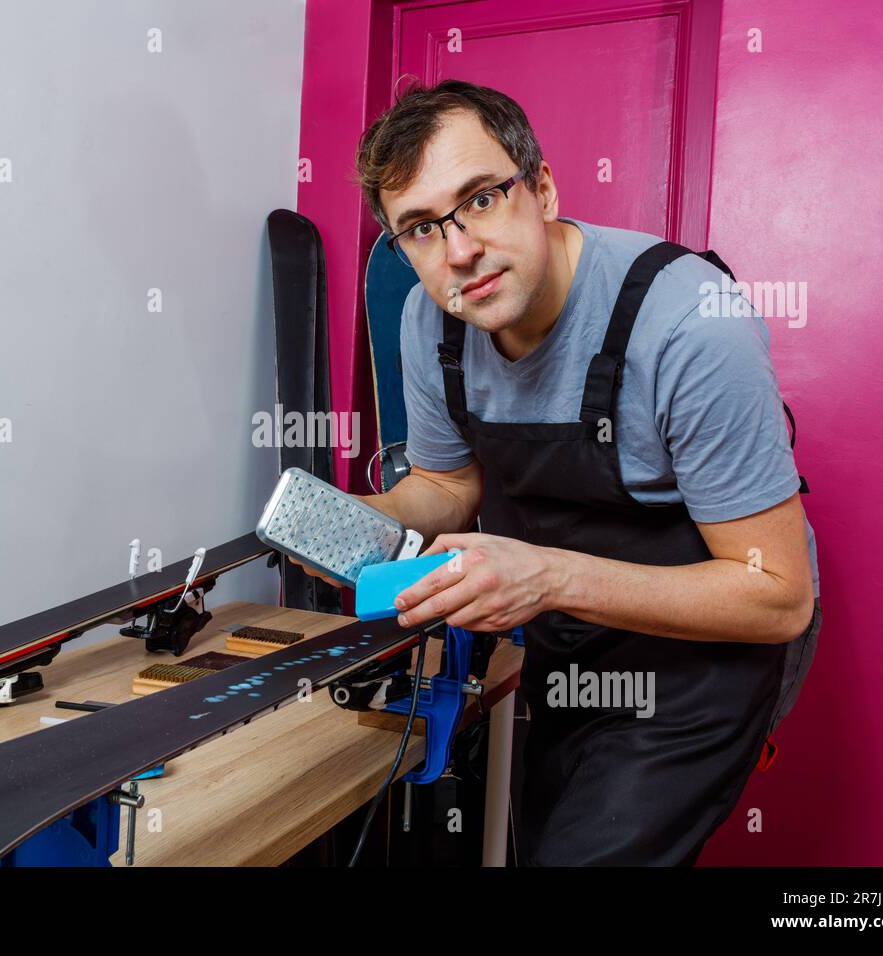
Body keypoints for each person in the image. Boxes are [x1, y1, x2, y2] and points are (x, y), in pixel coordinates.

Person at [301, 79, 821, 865]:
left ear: (541, 188)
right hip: (571, 651)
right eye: (419, 229)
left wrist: (542, 579)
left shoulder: (687, 324)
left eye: (479, 198)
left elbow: (778, 597)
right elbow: (447, 488)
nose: (459, 250)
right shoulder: (430, 319)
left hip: (705, 660)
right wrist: (348, 518)